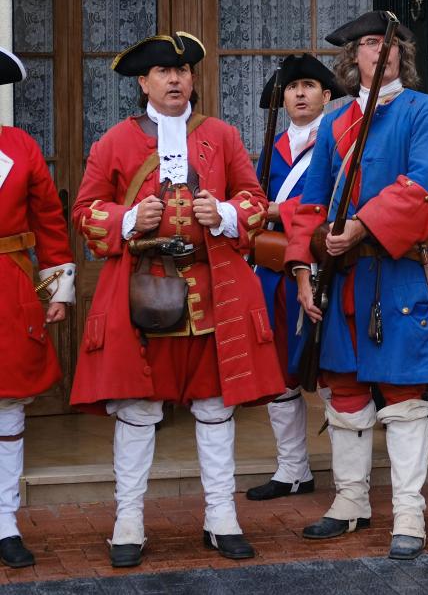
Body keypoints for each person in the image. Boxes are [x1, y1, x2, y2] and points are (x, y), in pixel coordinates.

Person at [71, 32, 284, 567]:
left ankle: (221, 517)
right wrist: (126, 219)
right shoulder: (114, 142)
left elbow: (257, 201)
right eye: (164, 72)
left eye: (183, 71)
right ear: (143, 82)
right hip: (141, 297)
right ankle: (128, 523)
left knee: (214, 409)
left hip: (213, 295)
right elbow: (84, 210)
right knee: (139, 412)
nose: (175, 79)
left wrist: (227, 214)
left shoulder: (222, 135)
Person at [287, 10, 428, 560]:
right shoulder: (336, 121)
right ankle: (351, 501)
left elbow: (423, 186)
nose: (377, 51)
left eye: (386, 42)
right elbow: (309, 205)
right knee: (344, 391)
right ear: (352, 56)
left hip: (400, 272)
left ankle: (409, 510)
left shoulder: (426, 111)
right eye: (365, 43)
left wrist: (362, 225)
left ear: (400, 54)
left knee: (406, 396)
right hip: (341, 280)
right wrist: (301, 272)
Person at [247, 54, 345, 502]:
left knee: (327, 371)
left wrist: (276, 210)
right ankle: (292, 470)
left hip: (323, 268)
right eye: (292, 87)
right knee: (280, 372)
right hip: (274, 273)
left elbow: (333, 204)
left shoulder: (340, 142)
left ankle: (349, 475)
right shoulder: (274, 147)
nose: (299, 94)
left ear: (327, 96)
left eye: (308, 86)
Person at [0, 48, 75, 568]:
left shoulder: (20, 146)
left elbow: (50, 221)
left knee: (7, 407)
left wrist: (59, 290)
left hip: (10, 288)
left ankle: (3, 522)